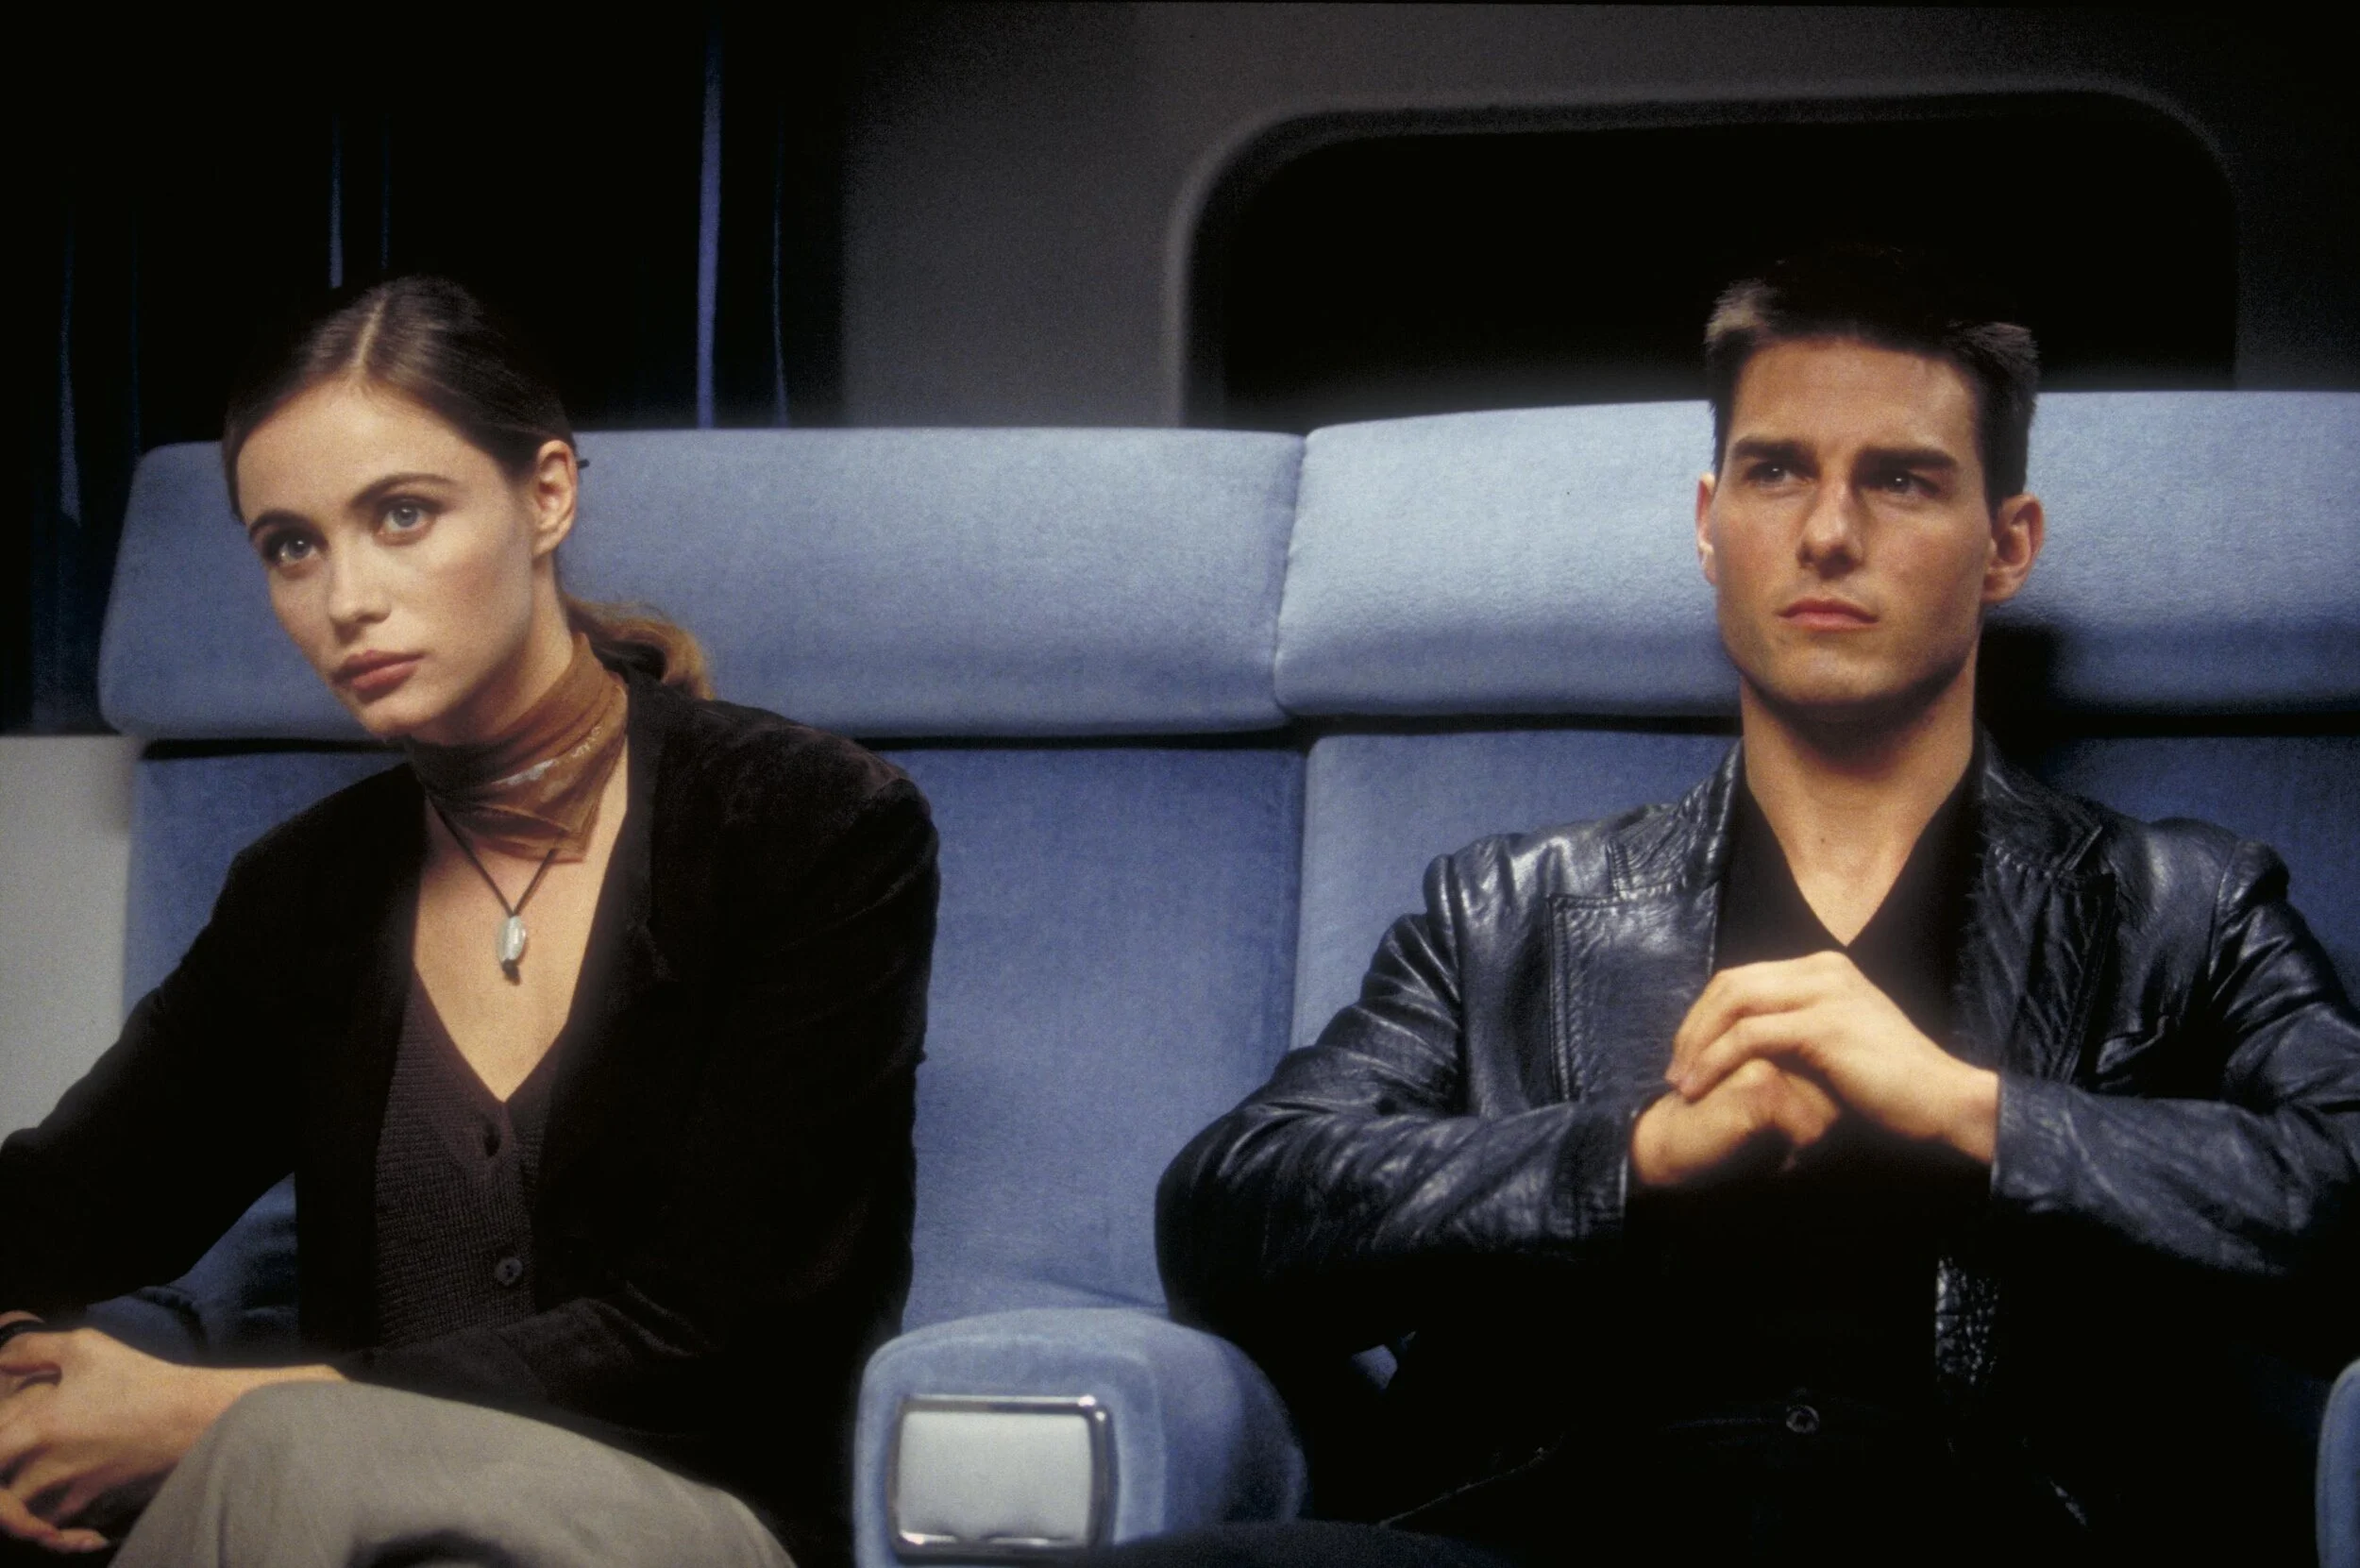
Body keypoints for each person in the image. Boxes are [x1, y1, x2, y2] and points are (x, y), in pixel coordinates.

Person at [1113, 248, 2360, 1565]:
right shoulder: (1507, 911)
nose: (1829, 533)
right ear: (1710, 524)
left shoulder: (2184, 906)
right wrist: (1633, 1156)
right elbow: (1228, 1216)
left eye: (1903, 479)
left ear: (2007, 548)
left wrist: (1965, 1112)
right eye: (1777, 472)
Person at [0, 277, 938, 1567]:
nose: (346, 598)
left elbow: (727, 1336)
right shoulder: (307, 893)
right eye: (291, 546)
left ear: (545, 494)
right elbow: (58, 1208)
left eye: (401, 514)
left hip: (703, 1517)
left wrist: (199, 1414)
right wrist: (20, 1382)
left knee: (275, 1450)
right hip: (341, 1525)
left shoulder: (811, 825)